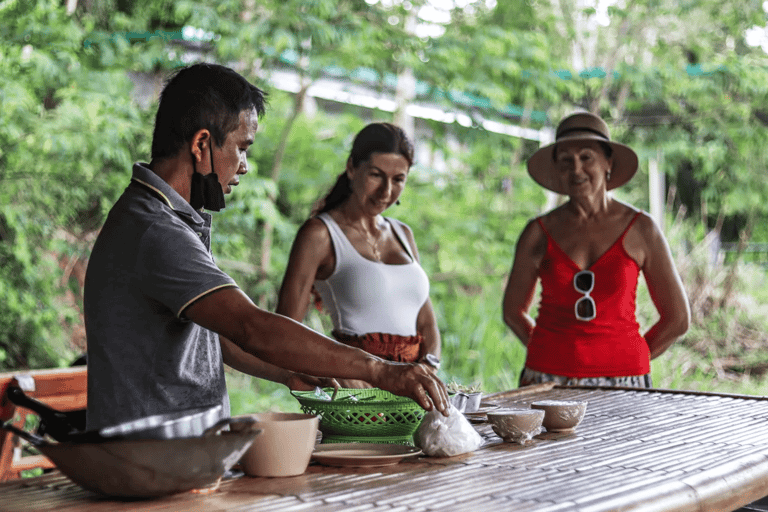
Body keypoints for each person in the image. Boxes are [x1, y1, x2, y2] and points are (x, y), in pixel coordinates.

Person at [83, 64, 448, 431]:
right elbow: (251, 327)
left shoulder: (171, 218)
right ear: (201, 144)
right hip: (152, 457)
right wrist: (379, 370)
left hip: (186, 451)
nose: (244, 167)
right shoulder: (154, 229)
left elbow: (221, 336)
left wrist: (292, 370)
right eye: (242, 148)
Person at [502, 111, 690, 388]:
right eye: (565, 160)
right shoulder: (537, 232)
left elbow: (678, 319)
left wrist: (628, 356)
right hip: (545, 378)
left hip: (625, 379)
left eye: (586, 157)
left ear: (608, 162)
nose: (576, 169)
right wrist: (549, 352)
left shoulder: (641, 228)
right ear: (556, 169)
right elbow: (512, 311)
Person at [276, 122, 441, 388]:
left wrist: (429, 366)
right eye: (376, 175)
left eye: (398, 179)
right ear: (352, 168)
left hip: (413, 390)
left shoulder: (403, 234)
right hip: (354, 392)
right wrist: (333, 371)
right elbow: (284, 331)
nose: (386, 192)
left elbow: (426, 322)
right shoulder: (320, 234)